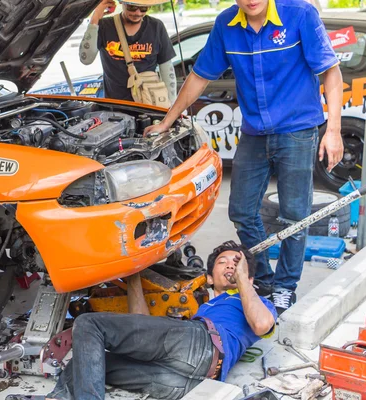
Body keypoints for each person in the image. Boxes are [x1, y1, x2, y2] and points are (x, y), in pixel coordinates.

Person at [144, 0, 344, 314]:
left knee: (294, 216)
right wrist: (167, 121)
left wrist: (333, 130)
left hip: (298, 131)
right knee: (241, 211)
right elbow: (198, 76)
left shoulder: (300, 15)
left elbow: (331, 73)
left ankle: (285, 287)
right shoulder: (226, 25)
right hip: (254, 133)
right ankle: (263, 278)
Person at [43, 241, 276, 400]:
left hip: (203, 351)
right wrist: (134, 277)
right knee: (87, 361)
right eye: (223, 262)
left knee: (88, 323)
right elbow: (141, 326)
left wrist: (244, 280)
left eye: (237, 263)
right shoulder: (205, 309)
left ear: (248, 275)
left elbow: (262, 325)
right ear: (208, 278)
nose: (231, 266)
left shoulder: (255, 302)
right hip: (186, 379)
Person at [79, 0, 177, 103]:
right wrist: (95, 18)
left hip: (149, 105)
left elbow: (167, 69)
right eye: (132, 7)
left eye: (143, 8)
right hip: (116, 106)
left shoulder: (156, 26)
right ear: (122, 3)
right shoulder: (105, 26)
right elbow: (86, 59)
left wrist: (172, 106)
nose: (138, 13)